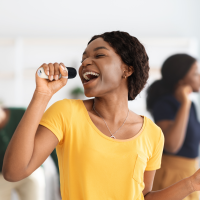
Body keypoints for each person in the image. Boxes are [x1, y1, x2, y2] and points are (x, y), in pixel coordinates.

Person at [2, 31, 200, 200]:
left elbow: (144, 196)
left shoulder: (153, 134)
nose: (86, 62)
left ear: (127, 69)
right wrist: (42, 95)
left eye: (99, 55)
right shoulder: (67, 113)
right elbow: (14, 171)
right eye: (83, 59)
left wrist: (192, 183)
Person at [146, 54, 200, 200]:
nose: (199, 76)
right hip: (171, 175)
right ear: (181, 79)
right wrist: (185, 103)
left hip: (189, 172)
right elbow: (172, 145)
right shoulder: (164, 104)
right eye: (195, 72)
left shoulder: (192, 106)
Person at [0, 106, 59, 200]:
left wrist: (60, 176)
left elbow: (51, 147)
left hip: (30, 170)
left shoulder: (21, 114)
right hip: (2, 176)